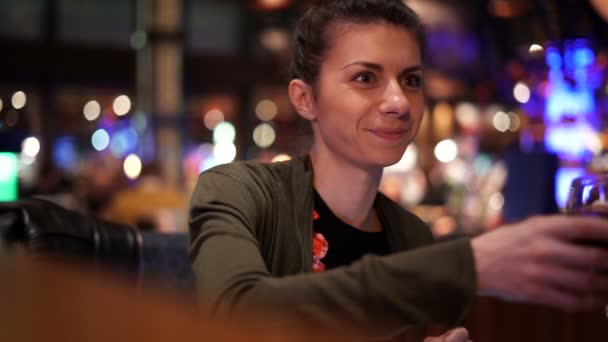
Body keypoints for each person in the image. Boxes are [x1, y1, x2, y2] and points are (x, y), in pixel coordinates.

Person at [189, 0, 608, 340]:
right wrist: (469, 264)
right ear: (305, 98)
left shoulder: (411, 236)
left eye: (410, 80)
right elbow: (237, 314)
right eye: (366, 77)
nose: (399, 102)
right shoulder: (236, 190)